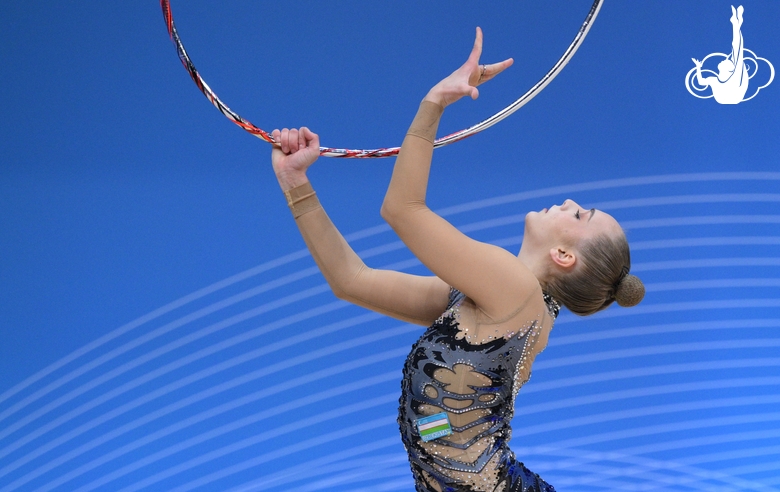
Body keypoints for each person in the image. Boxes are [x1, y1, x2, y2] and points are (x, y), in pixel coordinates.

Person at [271, 27, 644, 492]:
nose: (570, 203)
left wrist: (434, 103)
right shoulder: (493, 302)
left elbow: (402, 210)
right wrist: (296, 184)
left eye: (581, 215)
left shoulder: (514, 288)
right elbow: (352, 280)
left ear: (564, 255)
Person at [692, 5, 748, 104]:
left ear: (728, 69)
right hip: (728, 97)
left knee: (737, 51)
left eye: (727, 61)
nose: (725, 59)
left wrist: (698, 67)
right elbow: (701, 82)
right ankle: (736, 24)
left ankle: (736, 23)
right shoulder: (714, 80)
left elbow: (737, 49)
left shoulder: (733, 77)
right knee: (737, 51)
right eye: (727, 60)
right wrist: (698, 67)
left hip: (733, 96)